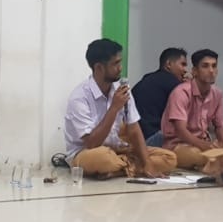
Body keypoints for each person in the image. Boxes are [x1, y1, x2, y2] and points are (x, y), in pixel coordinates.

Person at [64, 38, 176, 178]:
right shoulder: (79, 97)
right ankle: (127, 167)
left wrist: (147, 162)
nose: (120, 68)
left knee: (169, 158)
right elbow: (92, 143)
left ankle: (118, 169)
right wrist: (114, 108)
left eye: (120, 62)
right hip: (86, 153)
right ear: (99, 68)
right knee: (103, 158)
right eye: (115, 63)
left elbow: (134, 128)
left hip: (118, 150)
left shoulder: (121, 89)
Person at [162, 49, 223, 170]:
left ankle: (222, 159)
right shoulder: (181, 92)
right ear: (194, 71)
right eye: (205, 66)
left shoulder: (217, 93)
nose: (211, 71)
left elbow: (219, 126)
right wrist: (204, 145)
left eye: (214, 66)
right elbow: (181, 131)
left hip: (206, 143)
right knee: (198, 155)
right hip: (180, 145)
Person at [131, 47, 188, 146]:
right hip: (154, 137)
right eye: (182, 64)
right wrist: (189, 86)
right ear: (169, 64)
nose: (185, 70)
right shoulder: (175, 86)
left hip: (136, 139)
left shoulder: (146, 80)